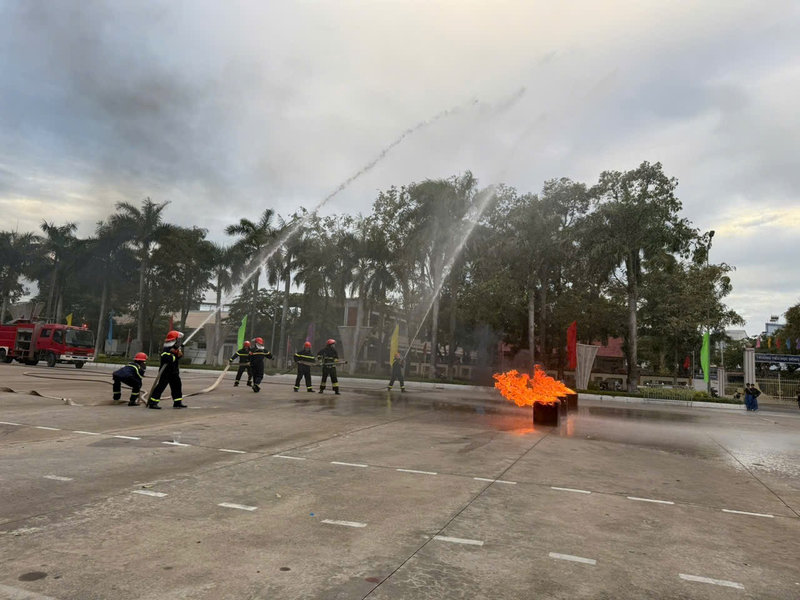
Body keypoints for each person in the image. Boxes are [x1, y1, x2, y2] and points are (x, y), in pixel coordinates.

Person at [148, 330, 187, 409]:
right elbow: (167, 358)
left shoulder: (175, 348)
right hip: (165, 372)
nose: (179, 342)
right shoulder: (166, 349)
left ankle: (177, 402)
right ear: (174, 340)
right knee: (161, 387)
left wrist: (178, 354)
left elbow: (177, 358)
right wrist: (175, 355)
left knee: (177, 386)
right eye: (178, 340)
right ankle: (153, 402)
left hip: (174, 372)